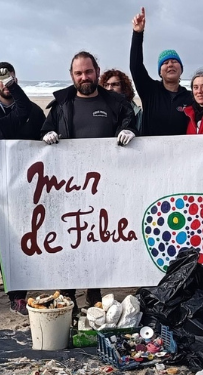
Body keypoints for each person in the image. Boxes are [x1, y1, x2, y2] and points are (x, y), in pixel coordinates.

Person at [41, 52, 138, 309]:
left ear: (97, 71)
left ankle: (94, 289)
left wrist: (129, 130)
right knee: (68, 237)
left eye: (88, 71)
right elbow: (43, 129)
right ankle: (68, 291)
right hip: (68, 184)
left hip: (104, 184)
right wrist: (48, 134)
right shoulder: (61, 104)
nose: (84, 77)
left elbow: (131, 120)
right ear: (72, 76)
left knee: (96, 236)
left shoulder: (115, 102)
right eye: (78, 73)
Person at [0, 63, 44, 308]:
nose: (5, 83)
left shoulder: (30, 108)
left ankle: (26, 272)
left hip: (26, 174)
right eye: (0, 79)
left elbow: (43, 131)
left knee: (25, 225)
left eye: (10, 78)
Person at [128, 7, 195, 138]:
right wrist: (137, 34)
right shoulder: (150, 91)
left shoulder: (190, 97)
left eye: (174, 61)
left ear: (181, 69)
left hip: (183, 153)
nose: (170, 64)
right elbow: (135, 66)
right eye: (165, 63)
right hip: (152, 154)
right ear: (160, 72)